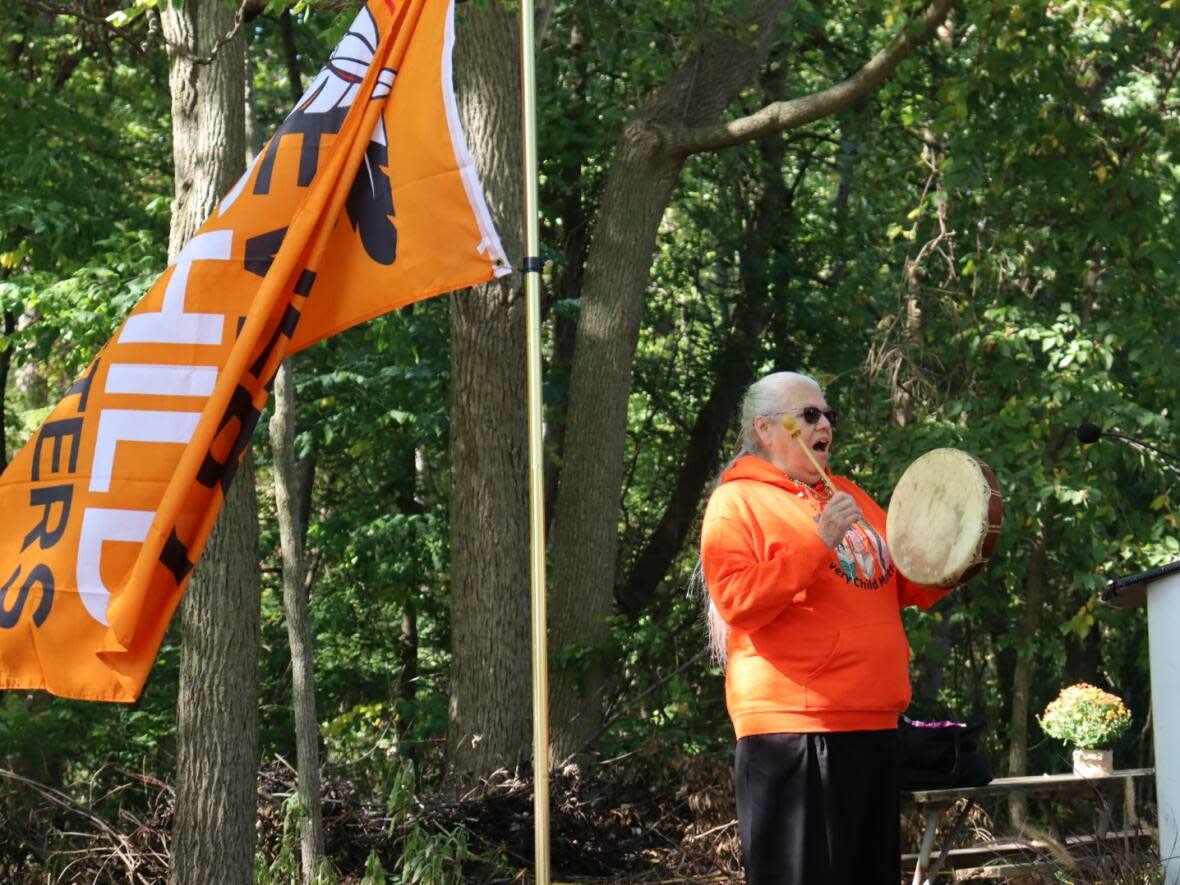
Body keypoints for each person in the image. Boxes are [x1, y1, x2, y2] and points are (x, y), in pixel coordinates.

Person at [699, 371, 951, 885]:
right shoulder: (737, 500)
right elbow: (737, 600)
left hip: (875, 726)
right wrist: (819, 542)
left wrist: (959, 550)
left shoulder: (851, 497)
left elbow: (915, 585)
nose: (825, 424)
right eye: (808, 414)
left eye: (827, 414)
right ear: (764, 429)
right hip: (793, 731)